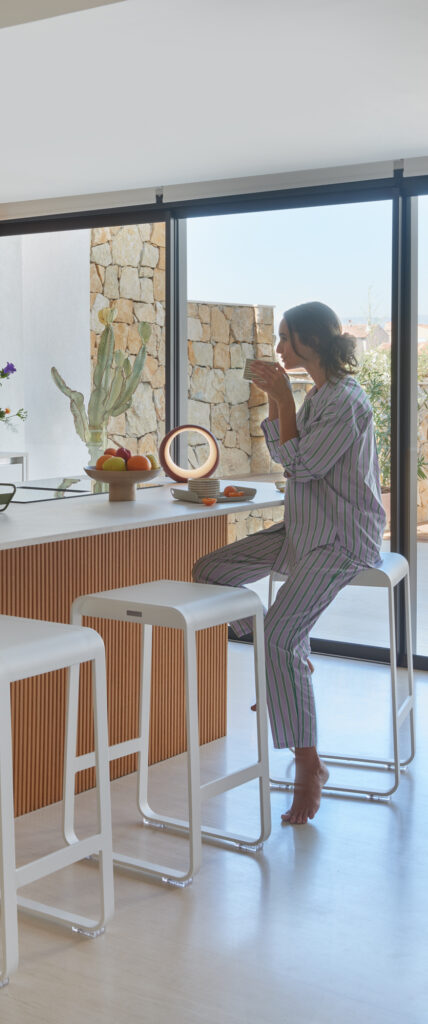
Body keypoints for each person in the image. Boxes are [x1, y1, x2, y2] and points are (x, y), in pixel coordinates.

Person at [192, 301, 385, 824]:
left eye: (285, 339)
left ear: (311, 342)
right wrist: (283, 400)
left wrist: (280, 397)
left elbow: (301, 463)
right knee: (210, 572)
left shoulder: (346, 399)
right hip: (301, 529)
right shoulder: (316, 394)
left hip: (342, 539)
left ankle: (307, 764)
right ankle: (280, 669)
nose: (278, 350)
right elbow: (285, 458)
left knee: (280, 635)